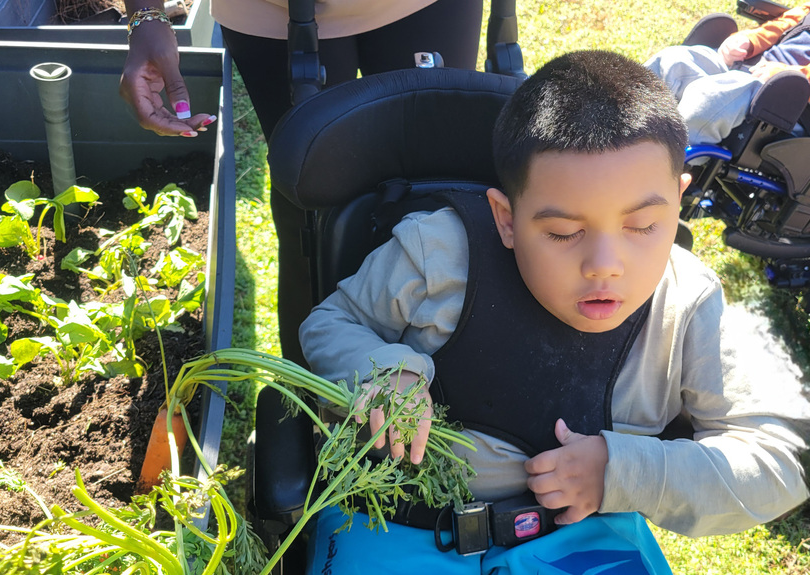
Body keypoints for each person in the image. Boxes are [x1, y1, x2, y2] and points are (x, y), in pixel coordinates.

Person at [298, 50, 810, 573]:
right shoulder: (438, 256)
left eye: (642, 227)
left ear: (678, 203)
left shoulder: (689, 299)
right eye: (564, 233)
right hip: (396, 524)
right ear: (506, 218)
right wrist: (385, 370)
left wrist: (623, 472)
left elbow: (777, 462)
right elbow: (330, 324)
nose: (605, 266)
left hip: (585, 537)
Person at [119, 0, 483, 367]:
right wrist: (145, 15)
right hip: (273, 13)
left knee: (434, 210)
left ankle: (434, 402)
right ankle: (310, 404)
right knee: (308, 220)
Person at [645, 2, 810, 145]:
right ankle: (624, 130)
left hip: (789, 101)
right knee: (674, 61)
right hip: (752, 69)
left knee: (709, 96)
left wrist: (787, 74)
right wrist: (748, 40)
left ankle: (669, 165)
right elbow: (783, 24)